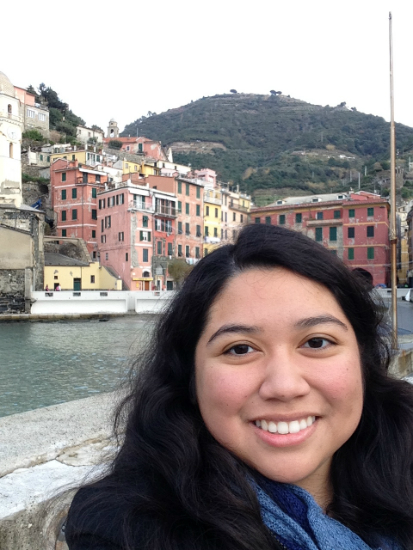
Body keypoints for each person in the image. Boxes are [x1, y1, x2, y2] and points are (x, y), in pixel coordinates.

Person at [66, 224, 413, 550]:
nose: (284, 386)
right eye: (240, 349)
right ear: (190, 376)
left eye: (317, 342)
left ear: (363, 359)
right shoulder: (122, 529)